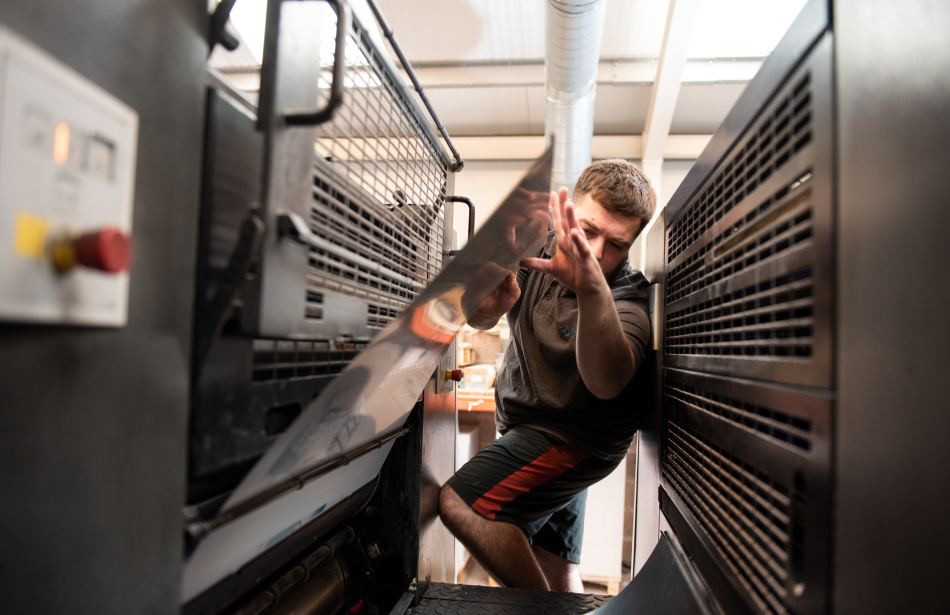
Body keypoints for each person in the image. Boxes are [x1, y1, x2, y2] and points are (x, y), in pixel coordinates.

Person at [438, 159, 657, 593]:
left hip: (577, 442)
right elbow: (481, 318)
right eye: (587, 231)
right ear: (566, 216)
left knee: (463, 504)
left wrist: (593, 290)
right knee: (556, 567)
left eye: (616, 244)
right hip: (531, 428)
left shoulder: (629, 300)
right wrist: (486, 306)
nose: (595, 252)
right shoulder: (534, 251)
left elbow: (605, 382)